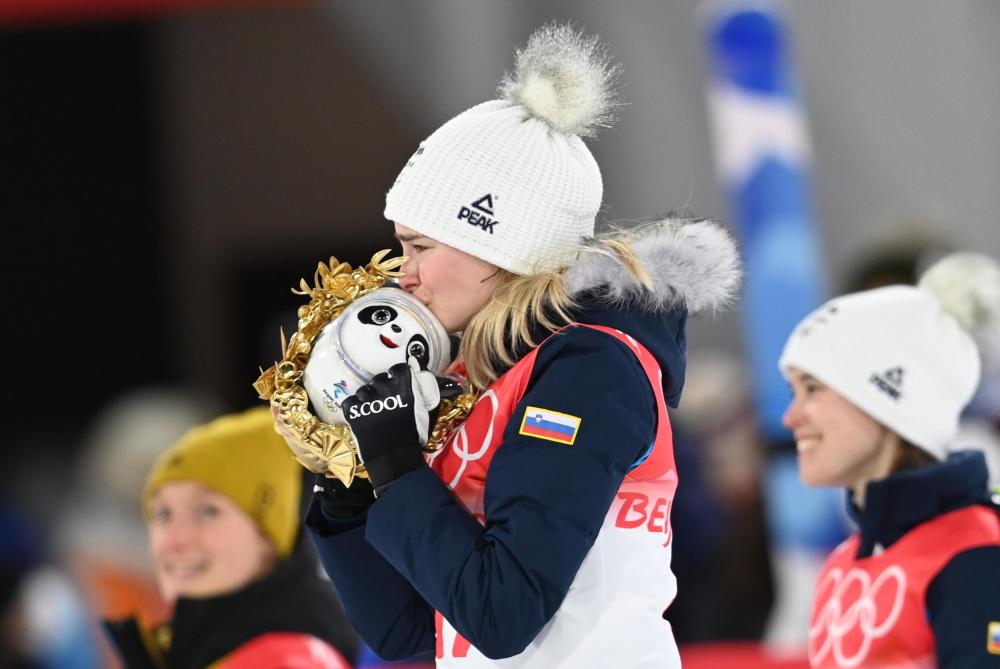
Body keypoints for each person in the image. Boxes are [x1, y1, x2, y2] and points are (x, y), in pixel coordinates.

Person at [301, 23, 741, 668]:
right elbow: (410, 630)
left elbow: (502, 614)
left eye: (420, 246)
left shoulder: (591, 367)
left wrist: (397, 464)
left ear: (497, 245)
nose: (404, 274)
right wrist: (350, 485)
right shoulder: (485, 376)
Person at [779, 253, 1000, 668]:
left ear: (887, 399)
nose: (790, 418)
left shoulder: (976, 552)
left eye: (813, 389)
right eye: (794, 392)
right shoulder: (842, 563)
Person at [104, 407, 358, 669]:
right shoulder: (211, 647)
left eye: (207, 511)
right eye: (163, 514)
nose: (175, 540)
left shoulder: (287, 661)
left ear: (269, 535)